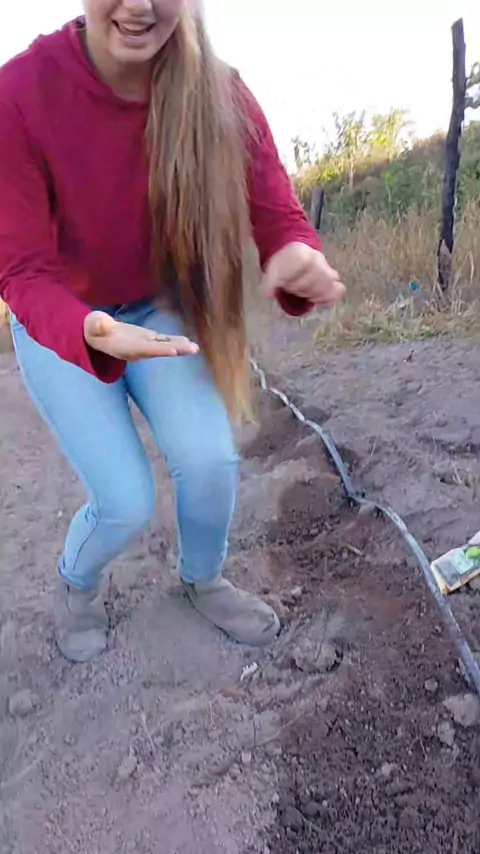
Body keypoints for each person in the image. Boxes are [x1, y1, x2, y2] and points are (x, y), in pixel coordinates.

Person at [0, 0, 345, 663]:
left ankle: (203, 581)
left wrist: (294, 257)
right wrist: (89, 328)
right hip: (62, 322)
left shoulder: (219, 91)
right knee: (124, 502)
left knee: (210, 461)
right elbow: (21, 271)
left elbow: (278, 215)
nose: (139, 6)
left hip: (157, 313)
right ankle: (77, 586)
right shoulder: (18, 93)